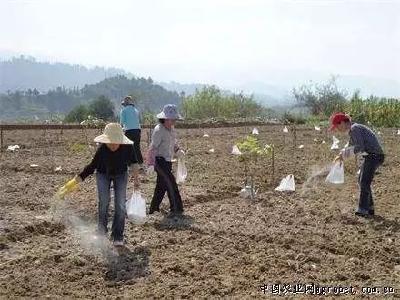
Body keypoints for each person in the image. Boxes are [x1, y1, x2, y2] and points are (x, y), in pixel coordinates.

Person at [58, 123, 140, 246]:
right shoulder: (102, 150)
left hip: (121, 174)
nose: (112, 145)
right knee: (104, 201)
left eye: (115, 142)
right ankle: (101, 231)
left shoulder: (128, 147)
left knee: (120, 204)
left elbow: (134, 163)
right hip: (103, 174)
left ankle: (117, 235)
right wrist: (75, 181)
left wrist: (136, 180)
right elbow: (91, 167)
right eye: (109, 142)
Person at [330, 113, 384, 217]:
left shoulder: (355, 129)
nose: (337, 129)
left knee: (364, 182)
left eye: (337, 126)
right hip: (371, 156)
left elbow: (359, 147)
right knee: (362, 181)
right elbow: (350, 145)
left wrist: (344, 155)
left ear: (342, 123)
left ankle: (363, 210)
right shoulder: (353, 130)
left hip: (374, 155)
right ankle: (369, 208)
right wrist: (341, 155)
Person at [146, 104, 185, 218]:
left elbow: (174, 143)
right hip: (159, 161)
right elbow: (153, 148)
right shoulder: (159, 130)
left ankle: (153, 209)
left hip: (167, 161)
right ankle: (176, 208)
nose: (174, 121)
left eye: (174, 119)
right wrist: (150, 164)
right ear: (165, 118)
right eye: (172, 119)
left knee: (161, 186)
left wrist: (178, 151)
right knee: (171, 183)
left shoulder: (172, 130)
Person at [120, 96, 143, 165]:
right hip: (137, 131)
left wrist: (120, 130)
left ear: (125, 104)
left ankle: (128, 164)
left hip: (129, 131)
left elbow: (122, 122)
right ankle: (140, 163)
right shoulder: (136, 110)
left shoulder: (123, 110)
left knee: (127, 147)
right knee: (136, 147)